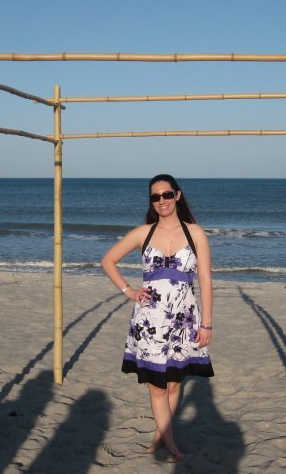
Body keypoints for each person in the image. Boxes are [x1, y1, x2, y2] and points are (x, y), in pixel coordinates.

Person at [101, 174, 214, 462]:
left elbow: (205, 280)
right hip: (150, 321)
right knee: (157, 385)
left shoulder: (195, 233)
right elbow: (107, 260)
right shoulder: (143, 233)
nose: (161, 201)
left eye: (166, 195)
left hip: (184, 320)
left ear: (177, 195)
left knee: (175, 382)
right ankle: (171, 443)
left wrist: (207, 323)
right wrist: (129, 292)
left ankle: (160, 435)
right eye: (155, 197)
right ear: (151, 201)